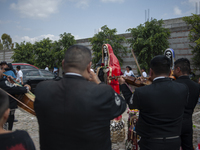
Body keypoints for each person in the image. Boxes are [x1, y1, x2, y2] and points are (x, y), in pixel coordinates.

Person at [34, 45, 127, 150]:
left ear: (63, 64)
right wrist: (99, 83)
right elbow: (121, 106)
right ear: (89, 67)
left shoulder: (42, 89)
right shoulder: (102, 92)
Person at [119, 55, 189, 150]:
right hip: (174, 141)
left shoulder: (142, 92)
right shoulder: (183, 89)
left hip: (150, 143)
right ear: (170, 72)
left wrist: (123, 85)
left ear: (151, 71)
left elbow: (131, 104)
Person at [173, 58, 200, 150]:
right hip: (188, 122)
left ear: (178, 69)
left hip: (174, 123)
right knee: (187, 147)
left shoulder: (173, 85)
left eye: (174, 68)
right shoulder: (196, 86)